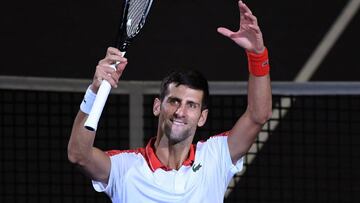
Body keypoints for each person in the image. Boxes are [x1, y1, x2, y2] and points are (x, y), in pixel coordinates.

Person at [67, 1, 272, 202]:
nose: (180, 111)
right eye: (174, 101)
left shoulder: (215, 157)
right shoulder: (125, 168)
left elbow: (258, 115)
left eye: (191, 105)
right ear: (157, 106)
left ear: (202, 117)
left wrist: (257, 55)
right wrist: (95, 90)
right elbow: (79, 155)